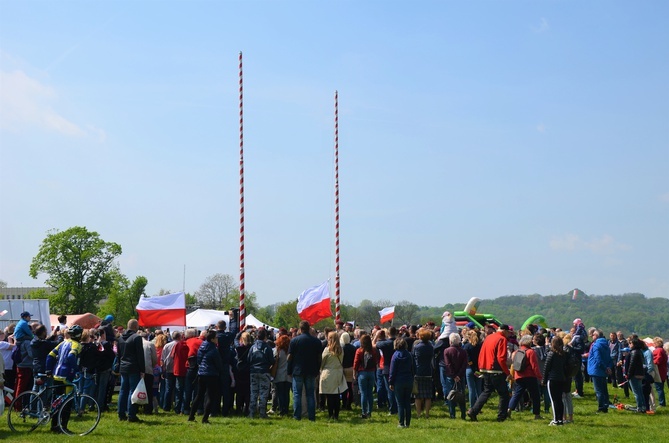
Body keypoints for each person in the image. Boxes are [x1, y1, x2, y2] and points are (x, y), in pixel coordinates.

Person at [467, 324, 512, 422]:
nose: (509, 334)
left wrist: (481, 367)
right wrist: (507, 372)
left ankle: (473, 411)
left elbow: (482, 353)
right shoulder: (502, 339)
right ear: (504, 331)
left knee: (486, 391)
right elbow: (501, 358)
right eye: (508, 332)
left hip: (485, 368)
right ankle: (501, 416)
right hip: (496, 369)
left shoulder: (489, 337)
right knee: (503, 394)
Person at [45, 325, 83, 433]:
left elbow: (50, 355)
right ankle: (63, 427)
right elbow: (71, 357)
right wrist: (76, 369)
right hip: (67, 375)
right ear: (79, 335)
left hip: (56, 374)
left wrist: (48, 369)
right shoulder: (76, 345)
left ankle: (54, 426)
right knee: (67, 402)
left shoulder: (63, 343)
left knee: (56, 401)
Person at [287, 321, 322, 421]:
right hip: (311, 370)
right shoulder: (316, 341)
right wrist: (317, 369)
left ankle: (297, 416)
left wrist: (289, 369)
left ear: (300, 329)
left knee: (297, 394)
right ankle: (311, 416)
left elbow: (289, 357)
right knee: (310, 394)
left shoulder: (294, 341)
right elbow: (319, 358)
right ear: (309, 328)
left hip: (297, 370)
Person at [188, 330, 222, 424]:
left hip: (201, 373)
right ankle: (205, 418)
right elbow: (218, 364)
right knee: (210, 396)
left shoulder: (202, 346)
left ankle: (191, 415)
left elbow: (198, 359)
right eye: (216, 338)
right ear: (212, 339)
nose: (217, 339)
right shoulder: (214, 350)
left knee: (199, 395)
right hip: (211, 374)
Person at [116, 319, 146, 423]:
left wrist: (119, 366)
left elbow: (118, 355)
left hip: (123, 367)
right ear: (135, 327)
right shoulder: (137, 338)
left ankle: (121, 413)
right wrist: (143, 370)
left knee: (123, 391)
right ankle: (131, 415)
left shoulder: (120, 338)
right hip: (134, 367)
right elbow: (140, 355)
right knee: (132, 391)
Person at [508, 334, 543, 420]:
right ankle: (537, 414)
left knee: (517, 394)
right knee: (535, 396)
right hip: (530, 376)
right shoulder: (531, 352)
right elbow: (534, 366)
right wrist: (540, 377)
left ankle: (509, 409)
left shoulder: (515, 352)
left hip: (519, 376)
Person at [319, 331, 348, 421]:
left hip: (329, 373)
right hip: (338, 372)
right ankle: (336, 415)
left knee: (330, 396)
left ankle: (331, 414)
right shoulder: (341, 350)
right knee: (336, 395)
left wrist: (321, 370)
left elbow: (322, 362)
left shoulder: (327, 350)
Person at [248, 328, 274, 418]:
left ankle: (251, 413)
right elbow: (272, 360)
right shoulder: (267, 347)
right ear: (265, 337)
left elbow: (249, 359)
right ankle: (262, 413)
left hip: (253, 371)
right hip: (264, 371)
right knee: (263, 393)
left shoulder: (253, 347)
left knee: (253, 393)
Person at [389, 337, 414, 428]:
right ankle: (407, 423)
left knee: (400, 403)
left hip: (398, 381)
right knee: (407, 402)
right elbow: (413, 368)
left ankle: (401, 423)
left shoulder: (395, 355)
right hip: (408, 379)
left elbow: (392, 370)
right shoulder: (409, 355)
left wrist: (391, 382)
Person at [543, 336, 567, 426]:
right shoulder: (563, 354)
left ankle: (555, 420)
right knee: (559, 400)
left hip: (552, 379)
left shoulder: (551, 353)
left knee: (554, 401)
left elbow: (546, 368)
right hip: (561, 378)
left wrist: (544, 380)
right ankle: (560, 419)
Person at [587, 329, 613, 413]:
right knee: (604, 389)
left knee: (599, 390)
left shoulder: (596, 345)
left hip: (596, 369)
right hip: (603, 370)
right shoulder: (606, 344)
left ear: (596, 336)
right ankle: (605, 405)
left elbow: (598, 359)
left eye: (593, 335)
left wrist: (604, 368)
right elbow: (609, 358)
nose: (592, 336)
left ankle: (601, 407)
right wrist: (608, 368)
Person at [443, 332, 467, 420]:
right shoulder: (463, 351)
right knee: (461, 395)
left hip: (450, 376)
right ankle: (463, 414)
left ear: (450, 341)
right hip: (461, 376)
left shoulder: (447, 351)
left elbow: (448, 364)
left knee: (451, 395)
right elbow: (464, 365)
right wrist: (459, 375)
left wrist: (453, 375)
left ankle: (452, 414)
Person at [353, 333, 378, 419]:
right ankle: (369, 411)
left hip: (362, 373)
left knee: (363, 393)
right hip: (371, 373)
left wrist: (354, 372)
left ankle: (364, 412)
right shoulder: (373, 351)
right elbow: (376, 361)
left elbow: (356, 363)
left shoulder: (359, 351)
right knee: (370, 393)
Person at [412, 328, 434, 418]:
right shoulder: (431, 347)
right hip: (428, 370)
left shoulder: (417, 347)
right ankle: (427, 414)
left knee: (417, 395)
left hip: (418, 371)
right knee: (428, 395)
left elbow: (413, 356)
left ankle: (418, 414)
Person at [376, 326, 398, 414]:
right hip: (398, 368)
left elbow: (374, 345)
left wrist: (376, 335)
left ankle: (393, 409)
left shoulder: (385, 343)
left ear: (387, 334)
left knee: (390, 390)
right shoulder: (399, 342)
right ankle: (399, 407)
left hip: (387, 368)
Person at [463, 329, 483, 411]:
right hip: (478, 369)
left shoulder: (467, 346)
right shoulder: (480, 346)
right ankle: (479, 407)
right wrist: (477, 369)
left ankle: (472, 407)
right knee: (479, 389)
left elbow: (468, 359)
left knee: (471, 390)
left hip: (469, 369)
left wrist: (473, 368)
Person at [273, 334, 292, 416]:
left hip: (279, 374)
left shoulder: (278, 350)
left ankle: (281, 410)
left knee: (280, 393)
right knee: (286, 393)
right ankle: (286, 410)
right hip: (288, 375)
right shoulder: (290, 351)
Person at [627, 337, 646, 413]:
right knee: (640, 391)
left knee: (636, 392)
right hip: (640, 373)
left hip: (634, 374)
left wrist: (629, 374)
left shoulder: (634, 352)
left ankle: (639, 407)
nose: (629, 344)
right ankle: (643, 406)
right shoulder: (640, 351)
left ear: (634, 344)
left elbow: (632, 365)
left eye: (630, 343)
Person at [340, 332, 356, 410]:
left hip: (343, 368)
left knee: (344, 388)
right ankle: (349, 404)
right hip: (351, 368)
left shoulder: (342, 348)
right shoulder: (353, 348)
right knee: (350, 387)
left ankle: (344, 403)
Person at [651, 337, 666, 407]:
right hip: (663, 371)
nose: (653, 344)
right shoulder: (662, 350)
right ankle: (662, 402)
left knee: (659, 388)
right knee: (660, 388)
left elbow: (658, 360)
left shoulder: (658, 350)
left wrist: (652, 362)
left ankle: (661, 403)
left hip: (659, 371)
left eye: (654, 343)